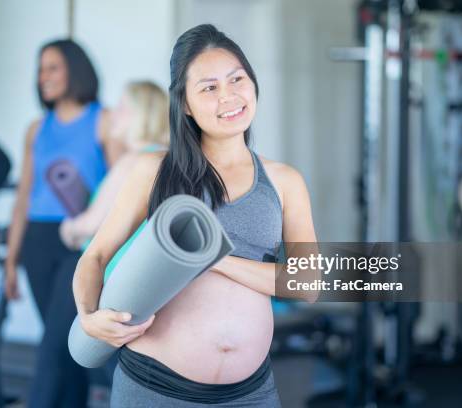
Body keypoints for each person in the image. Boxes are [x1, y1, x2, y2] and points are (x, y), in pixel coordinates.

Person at [73, 24, 317, 407]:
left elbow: (307, 283)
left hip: (251, 394)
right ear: (185, 103)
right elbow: (96, 256)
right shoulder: (153, 170)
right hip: (155, 389)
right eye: (209, 87)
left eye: (237, 79)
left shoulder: (285, 181)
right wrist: (87, 315)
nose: (229, 96)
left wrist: (216, 260)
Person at [4, 39, 121, 407]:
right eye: (41, 69)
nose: (43, 77)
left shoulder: (103, 121)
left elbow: (125, 191)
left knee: (59, 339)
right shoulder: (36, 129)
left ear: (75, 69)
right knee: (61, 344)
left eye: (52, 67)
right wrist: (11, 260)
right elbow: (24, 195)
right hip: (37, 242)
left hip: (81, 242)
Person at [60, 80, 169, 251]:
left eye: (122, 108)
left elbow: (90, 225)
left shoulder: (132, 161)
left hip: (116, 267)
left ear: (142, 114)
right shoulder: (164, 157)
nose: (112, 115)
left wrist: (68, 228)